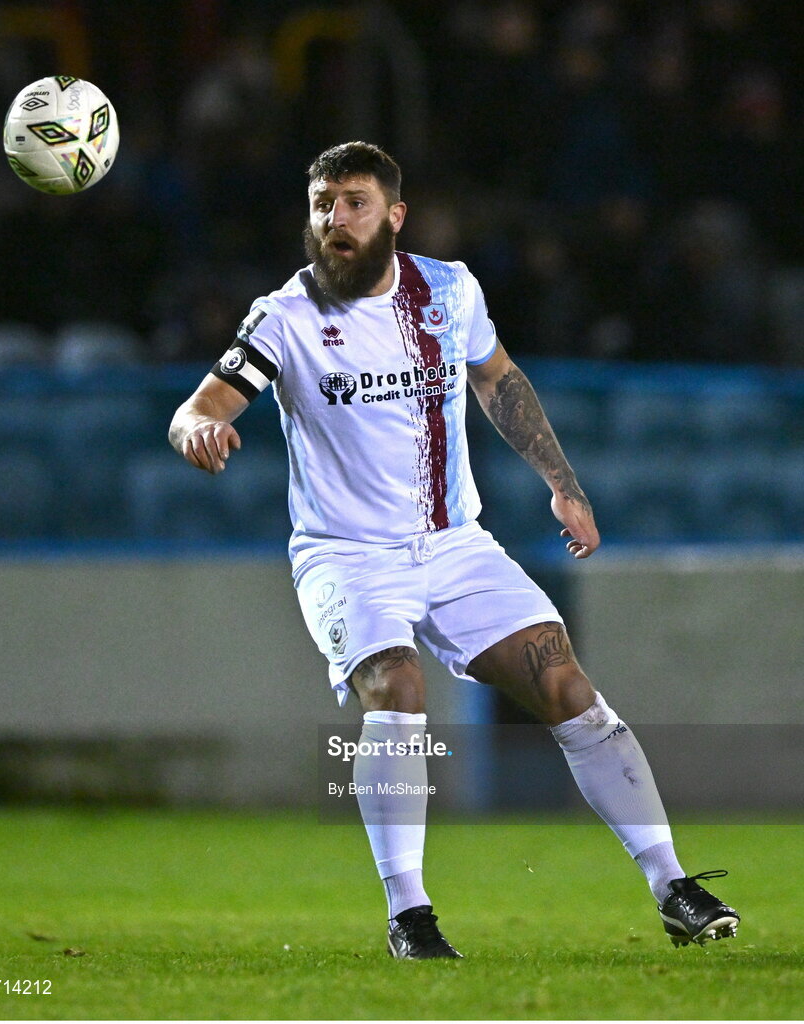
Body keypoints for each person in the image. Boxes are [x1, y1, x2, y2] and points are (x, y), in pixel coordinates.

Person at [169, 141, 739, 959]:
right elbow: (198, 406)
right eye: (323, 203)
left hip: (453, 545)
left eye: (355, 202)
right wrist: (201, 430)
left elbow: (498, 381)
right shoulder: (285, 317)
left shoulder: (448, 290)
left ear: (395, 216)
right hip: (346, 554)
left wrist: (563, 482)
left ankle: (673, 885)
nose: (335, 219)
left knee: (563, 681)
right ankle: (411, 914)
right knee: (396, 686)